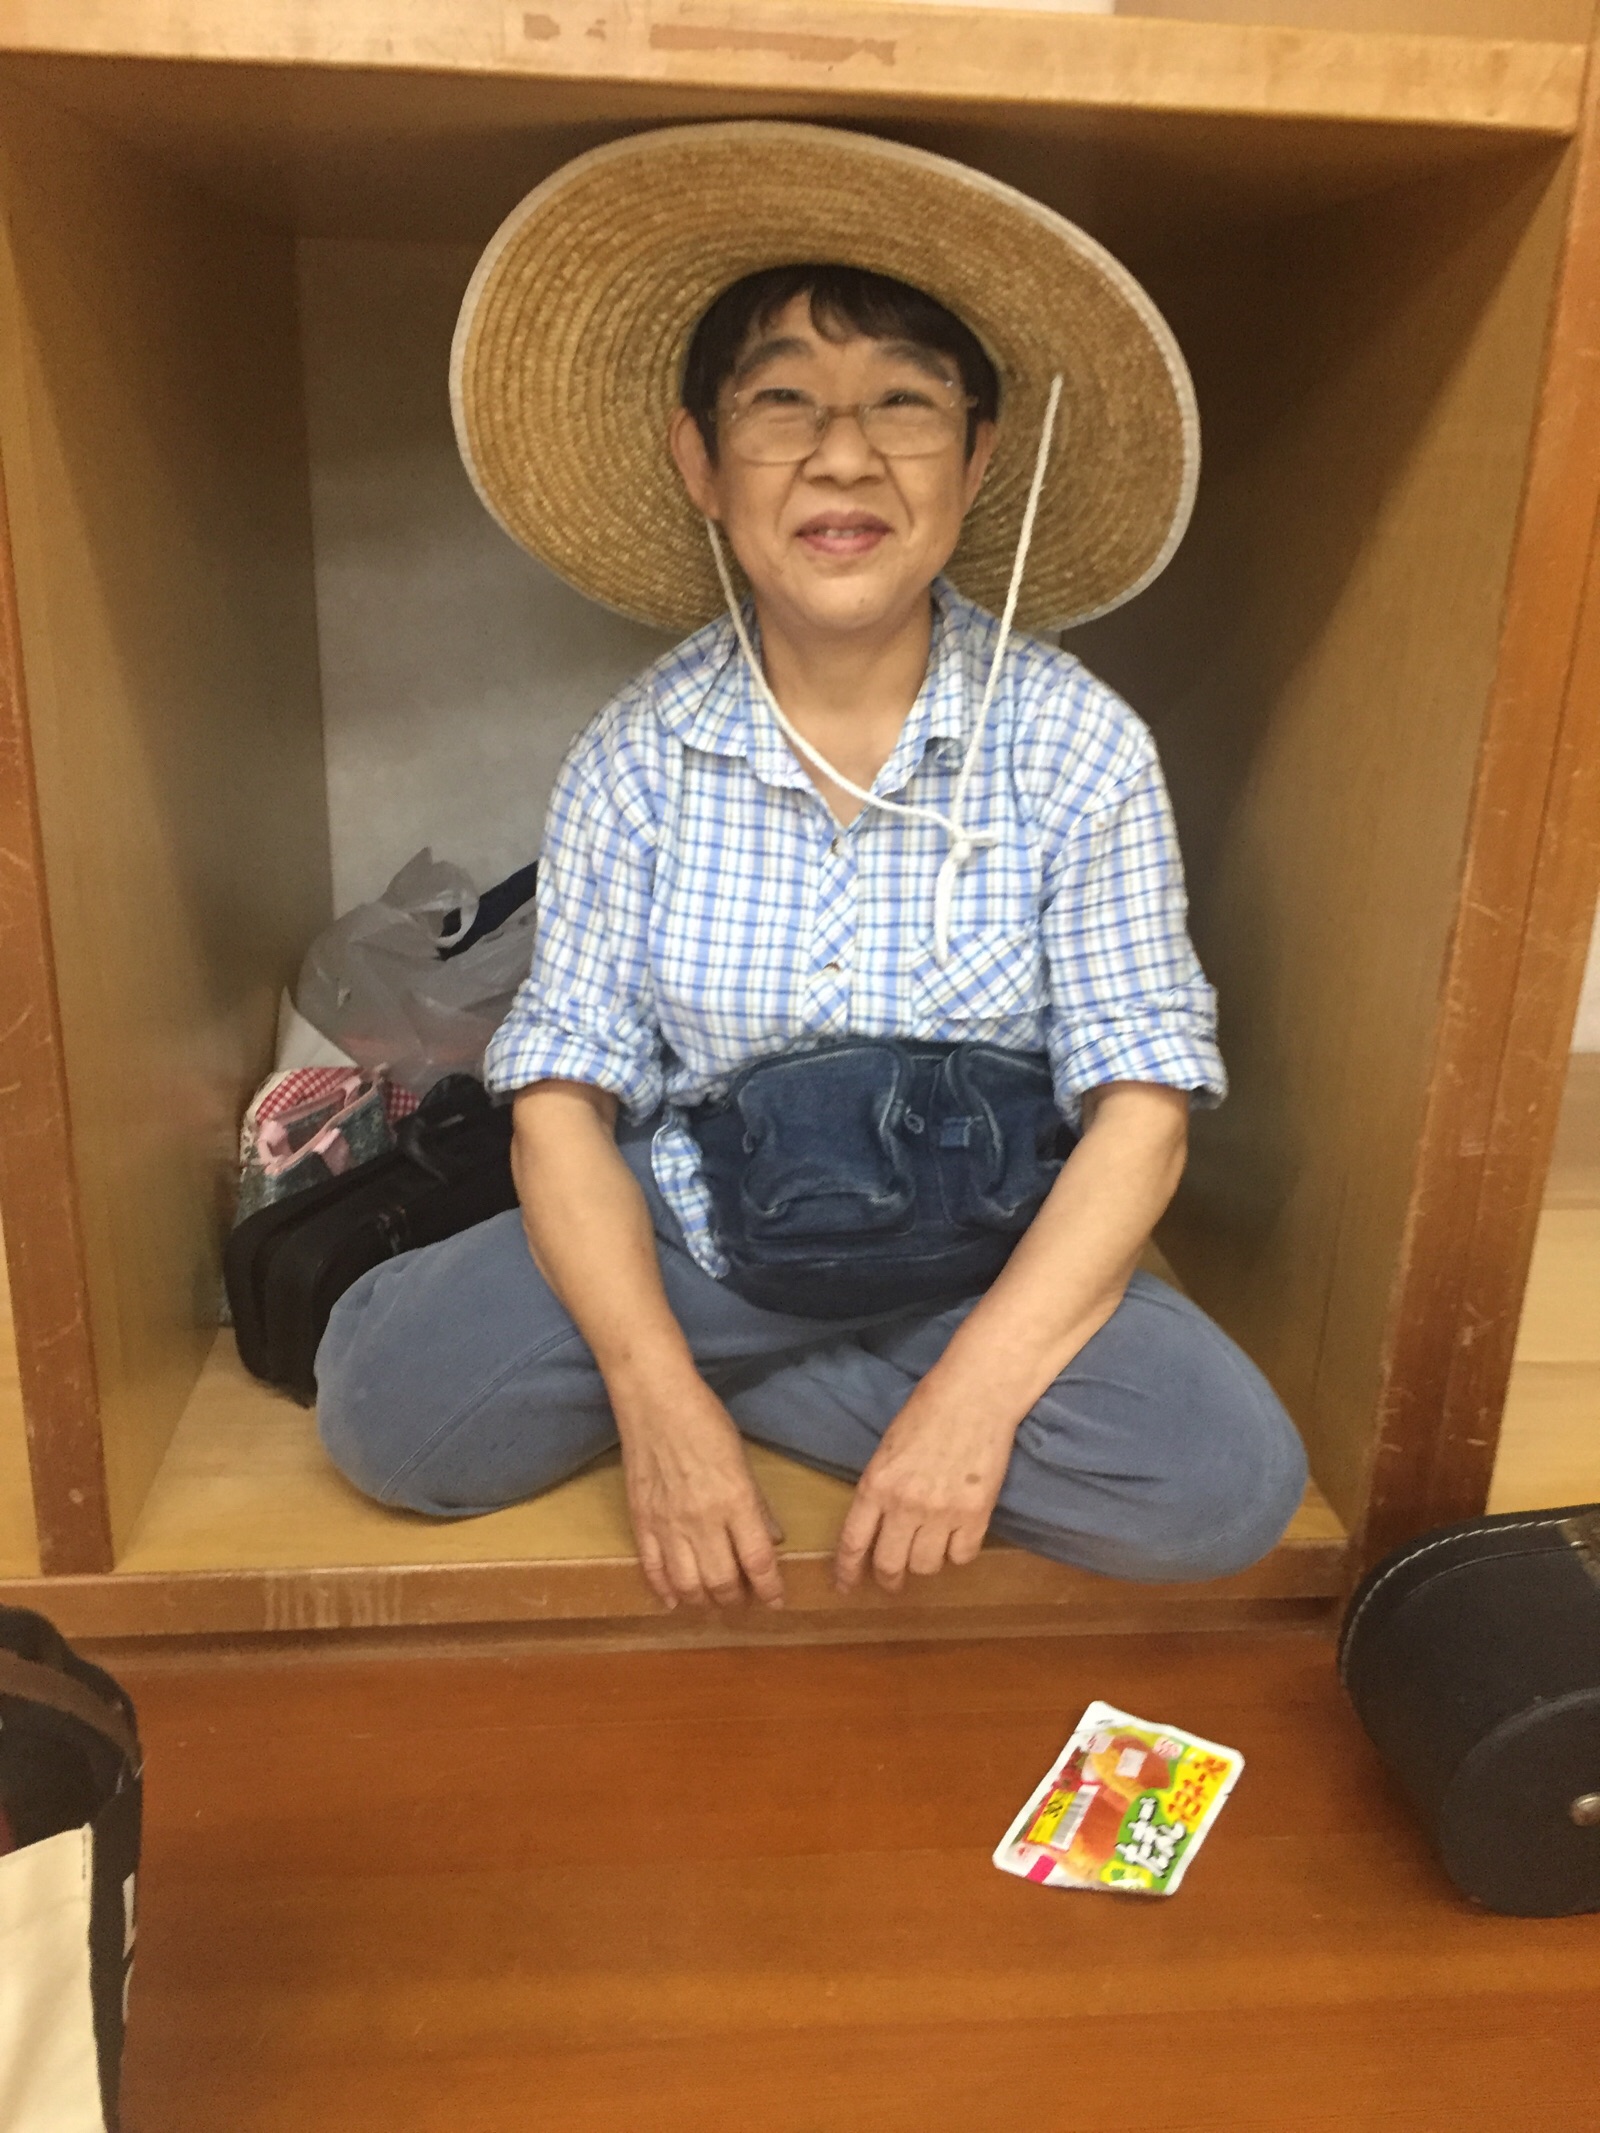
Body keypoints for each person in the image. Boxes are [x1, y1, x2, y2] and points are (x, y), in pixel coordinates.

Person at [317, 122, 1308, 1612]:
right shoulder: (636, 755)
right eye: (783, 403)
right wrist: (657, 1399)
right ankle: (710, 1370)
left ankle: (793, 1385)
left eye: (904, 401)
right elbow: (564, 1097)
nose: (845, 455)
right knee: (385, 1413)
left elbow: (1144, 1106)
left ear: (979, 456)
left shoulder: (1079, 745)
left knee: (1223, 1485)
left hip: (982, 1248)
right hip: (705, 1229)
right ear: (702, 463)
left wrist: (972, 1402)